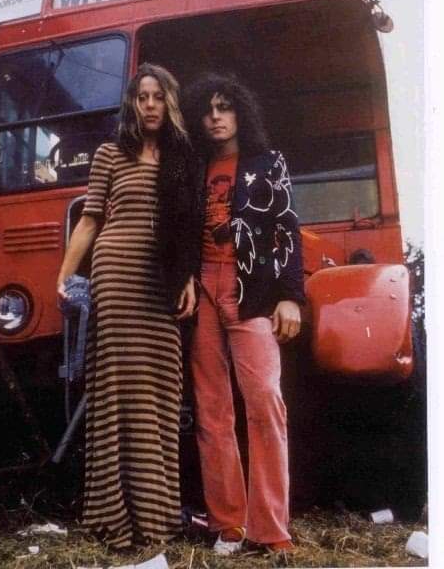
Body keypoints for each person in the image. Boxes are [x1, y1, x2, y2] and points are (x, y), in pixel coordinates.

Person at [57, 63, 197, 548]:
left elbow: (189, 230)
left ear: (170, 102)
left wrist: (189, 279)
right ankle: (115, 519)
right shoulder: (110, 154)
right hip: (116, 277)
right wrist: (66, 274)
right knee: (117, 393)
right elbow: (91, 220)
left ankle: (157, 519)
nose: (151, 105)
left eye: (159, 96)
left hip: (161, 284)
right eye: (143, 97)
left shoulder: (183, 157)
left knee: (159, 392)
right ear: (133, 104)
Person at [183, 73, 305, 556]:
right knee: (212, 409)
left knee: (264, 402)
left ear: (239, 113)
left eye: (225, 107)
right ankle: (227, 524)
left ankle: (271, 528)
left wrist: (291, 296)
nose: (216, 117)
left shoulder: (266, 162)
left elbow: (288, 230)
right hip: (202, 288)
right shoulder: (192, 167)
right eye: (208, 109)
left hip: (250, 289)